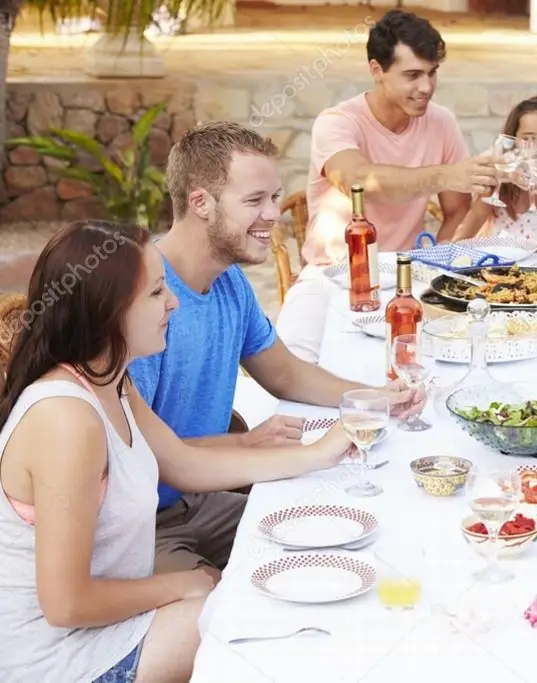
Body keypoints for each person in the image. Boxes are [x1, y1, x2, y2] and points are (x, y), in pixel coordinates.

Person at [0, 221, 356, 683]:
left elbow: (185, 463)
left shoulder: (112, 381)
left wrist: (319, 453)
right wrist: (183, 585)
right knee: (253, 625)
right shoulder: (67, 420)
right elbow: (66, 604)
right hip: (60, 659)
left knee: (279, 586)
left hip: (103, 625)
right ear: (106, 311)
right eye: (155, 293)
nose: (173, 303)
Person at [128, 121, 412, 577]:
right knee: (229, 602)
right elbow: (141, 455)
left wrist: (375, 397)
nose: (274, 215)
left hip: (208, 501)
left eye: (275, 197)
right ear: (200, 202)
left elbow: (285, 373)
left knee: (353, 532)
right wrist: (244, 445)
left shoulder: (230, 282)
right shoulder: (143, 301)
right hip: (146, 525)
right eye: (255, 200)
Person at [276, 9, 498, 363]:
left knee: (447, 362)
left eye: (432, 73)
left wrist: (437, 271)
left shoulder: (442, 122)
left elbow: (457, 212)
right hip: (330, 276)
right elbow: (358, 180)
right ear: (376, 70)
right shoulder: (336, 122)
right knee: (287, 368)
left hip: (406, 277)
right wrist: (445, 174)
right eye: (412, 75)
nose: (426, 87)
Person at [452, 96, 537, 245]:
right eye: (528, 139)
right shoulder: (501, 182)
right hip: (498, 260)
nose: (536, 149)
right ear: (513, 140)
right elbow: (475, 219)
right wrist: (453, 249)